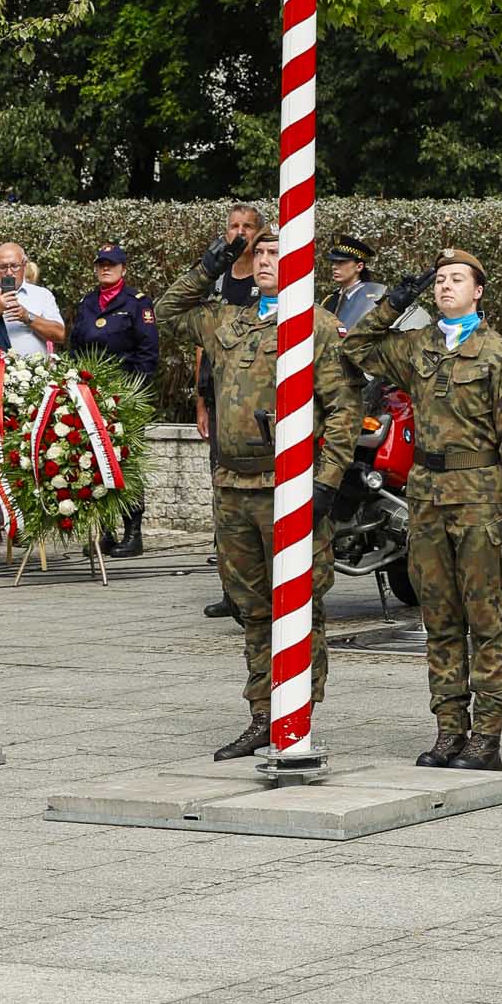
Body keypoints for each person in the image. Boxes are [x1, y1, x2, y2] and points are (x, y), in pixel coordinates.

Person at [157, 226, 361, 759]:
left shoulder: (314, 326)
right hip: (232, 483)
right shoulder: (231, 319)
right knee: (251, 608)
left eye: (277, 253)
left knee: (298, 603)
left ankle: (298, 712)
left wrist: (327, 481)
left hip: (288, 485)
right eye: (261, 253)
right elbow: (170, 310)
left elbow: (343, 410)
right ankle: (260, 714)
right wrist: (214, 262)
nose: (267, 260)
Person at [343, 246, 502, 772]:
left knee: (486, 620)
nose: (445, 286)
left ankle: (487, 736)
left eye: (457, 279)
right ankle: (450, 728)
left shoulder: (498, 355)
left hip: (479, 499)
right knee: (440, 619)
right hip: (426, 496)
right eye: (440, 280)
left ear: (479, 291)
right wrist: (393, 303)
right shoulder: (418, 345)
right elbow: (358, 346)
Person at [0, 241, 65, 544]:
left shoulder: (41, 296)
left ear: (24, 266)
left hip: (34, 387)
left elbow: (60, 333)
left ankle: (26, 521)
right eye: (3, 267)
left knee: (28, 454)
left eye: (14, 266)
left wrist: (29, 317)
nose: (9, 272)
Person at [70, 243, 158, 557]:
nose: (105, 268)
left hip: (126, 395)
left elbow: (147, 354)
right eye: (101, 264)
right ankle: (104, 531)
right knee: (94, 460)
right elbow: (75, 349)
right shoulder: (87, 302)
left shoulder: (137, 303)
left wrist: (134, 396)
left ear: (123, 269)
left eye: (112, 264)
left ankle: (133, 533)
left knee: (126, 462)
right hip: (91, 395)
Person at [195, 207, 262, 612]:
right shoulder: (219, 279)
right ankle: (229, 588)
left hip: (255, 404)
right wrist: (201, 401)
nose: (239, 233)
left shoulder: (270, 277)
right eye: (233, 226)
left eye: (247, 226)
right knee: (222, 493)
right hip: (220, 398)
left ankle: (255, 584)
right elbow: (203, 344)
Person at [327, 232, 389, 330]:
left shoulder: (374, 299)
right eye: (334, 262)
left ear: (359, 267)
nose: (334, 267)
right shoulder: (330, 300)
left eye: (341, 262)